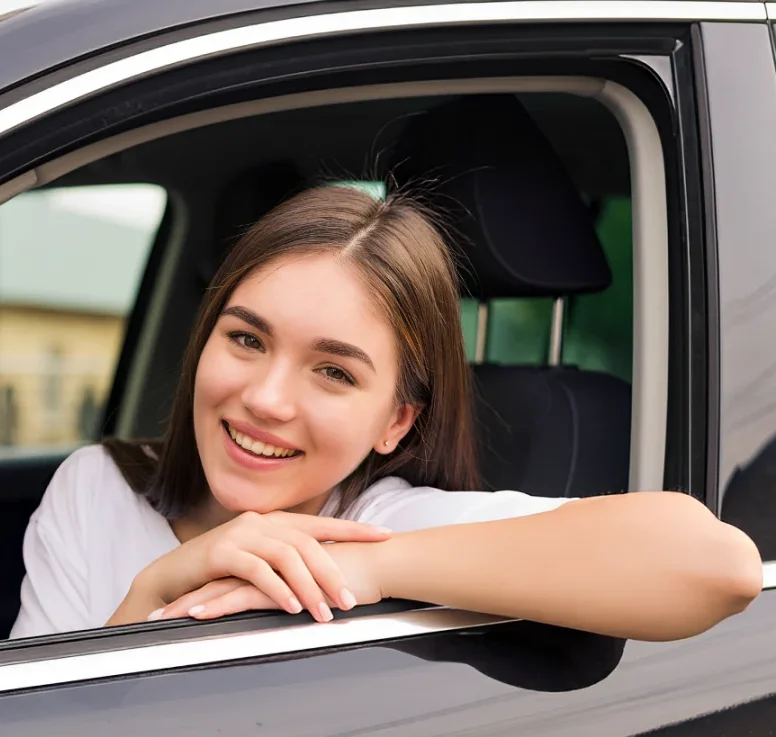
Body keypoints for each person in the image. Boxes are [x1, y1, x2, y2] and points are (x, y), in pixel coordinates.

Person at [10, 186, 762, 641]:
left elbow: (716, 567)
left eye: (334, 371)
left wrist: (362, 567)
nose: (268, 398)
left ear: (396, 422)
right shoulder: (97, 487)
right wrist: (151, 594)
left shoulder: (384, 526)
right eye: (245, 338)